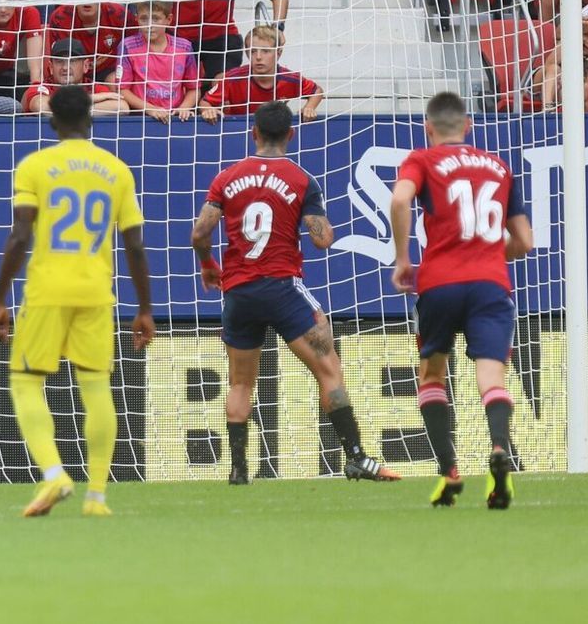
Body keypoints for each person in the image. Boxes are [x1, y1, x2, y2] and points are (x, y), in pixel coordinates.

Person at [190, 101, 399, 486]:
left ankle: (238, 471)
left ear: (253, 132)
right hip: (283, 287)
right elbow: (323, 240)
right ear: (291, 134)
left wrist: (208, 265)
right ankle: (355, 458)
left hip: (239, 291)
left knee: (239, 383)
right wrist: (311, 219)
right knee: (329, 370)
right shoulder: (301, 179)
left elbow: (200, 233)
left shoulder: (227, 177)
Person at [0, 85, 155, 517]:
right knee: (97, 387)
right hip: (97, 292)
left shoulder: (36, 166)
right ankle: (97, 497)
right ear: (91, 118)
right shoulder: (116, 170)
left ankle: (54, 475)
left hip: (47, 290)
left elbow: (20, 235)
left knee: (27, 383)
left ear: (51, 121)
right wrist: (145, 309)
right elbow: (135, 244)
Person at [389, 92, 534, 509]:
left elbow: (400, 199)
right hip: (490, 285)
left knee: (433, 376)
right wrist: (488, 254)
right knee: (492, 379)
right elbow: (524, 240)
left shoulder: (422, 159)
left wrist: (402, 259)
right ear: (468, 126)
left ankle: (449, 472)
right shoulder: (499, 167)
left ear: (428, 127)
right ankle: (499, 449)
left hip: (439, 284)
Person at [199, 25, 323, 123]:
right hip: (239, 129)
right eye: (253, 51)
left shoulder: (290, 79)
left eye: (265, 51)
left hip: (274, 131)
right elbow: (205, 102)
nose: (258, 57)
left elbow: (317, 91)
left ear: (278, 53)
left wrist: (309, 107)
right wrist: (208, 110)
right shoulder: (233, 78)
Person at [118, 0, 200, 124]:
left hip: (176, 118)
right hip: (140, 118)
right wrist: (150, 109)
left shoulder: (184, 47)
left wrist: (184, 107)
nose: (150, 25)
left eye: (156, 19)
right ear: (136, 19)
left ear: (169, 19)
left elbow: (193, 88)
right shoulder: (127, 46)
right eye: (144, 19)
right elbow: (122, 89)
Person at [22, 38, 126, 115]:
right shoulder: (41, 87)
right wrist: (89, 99)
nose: (65, 67)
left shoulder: (95, 87)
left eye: (72, 61)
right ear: (51, 67)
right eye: (59, 61)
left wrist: (66, 110)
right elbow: (41, 106)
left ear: (85, 66)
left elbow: (122, 107)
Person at [45, 1, 134, 83]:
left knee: (115, 83)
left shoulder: (119, 14)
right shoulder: (60, 17)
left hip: (109, 69)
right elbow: (58, 58)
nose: (87, 0)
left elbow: (135, 46)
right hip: (72, 70)